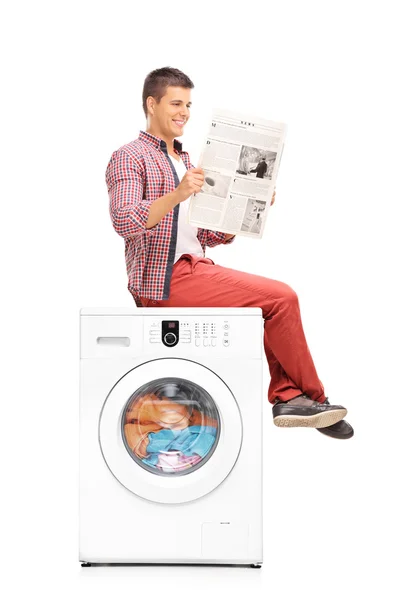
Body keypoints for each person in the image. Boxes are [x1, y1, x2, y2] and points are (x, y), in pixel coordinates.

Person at [105, 66, 353, 440]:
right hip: (164, 281)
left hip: (196, 269)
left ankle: (292, 396)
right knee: (281, 298)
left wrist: (252, 205)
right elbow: (124, 220)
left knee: (274, 302)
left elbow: (206, 232)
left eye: (188, 104)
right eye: (176, 103)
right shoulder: (129, 157)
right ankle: (304, 398)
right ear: (151, 104)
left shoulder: (186, 161)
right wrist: (177, 194)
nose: (184, 112)